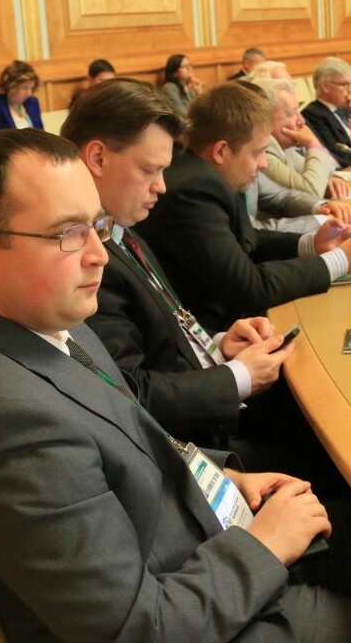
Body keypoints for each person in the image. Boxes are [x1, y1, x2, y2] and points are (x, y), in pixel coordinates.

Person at [0, 127, 351, 643]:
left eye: (97, 225)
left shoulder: (46, 321)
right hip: (214, 606)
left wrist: (223, 478)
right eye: (68, 233)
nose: (99, 254)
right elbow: (141, 629)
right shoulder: (8, 422)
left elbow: (130, 437)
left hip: (206, 542)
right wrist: (267, 545)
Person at [59, 78, 294, 448]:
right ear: (98, 158)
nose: (162, 186)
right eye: (148, 170)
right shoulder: (85, 258)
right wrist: (238, 376)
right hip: (190, 444)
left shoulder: (123, 228)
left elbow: (167, 338)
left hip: (208, 397)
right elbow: (129, 391)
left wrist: (220, 345)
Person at [133, 83, 351, 332]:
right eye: (258, 152)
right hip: (215, 335)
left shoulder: (208, 176)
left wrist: (312, 244)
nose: (264, 163)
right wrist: (342, 259)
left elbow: (246, 240)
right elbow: (251, 288)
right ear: (221, 151)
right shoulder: (194, 189)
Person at [251, 77, 351, 200]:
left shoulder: (284, 146)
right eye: (291, 113)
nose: (302, 121)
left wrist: (331, 179)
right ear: (264, 119)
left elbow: (328, 168)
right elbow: (311, 192)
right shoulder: (265, 150)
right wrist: (313, 143)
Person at [0, 60, 43, 132]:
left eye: (31, 88)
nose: (29, 93)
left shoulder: (32, 102)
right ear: (11, 87)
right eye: (24, 88)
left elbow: (41, 132)